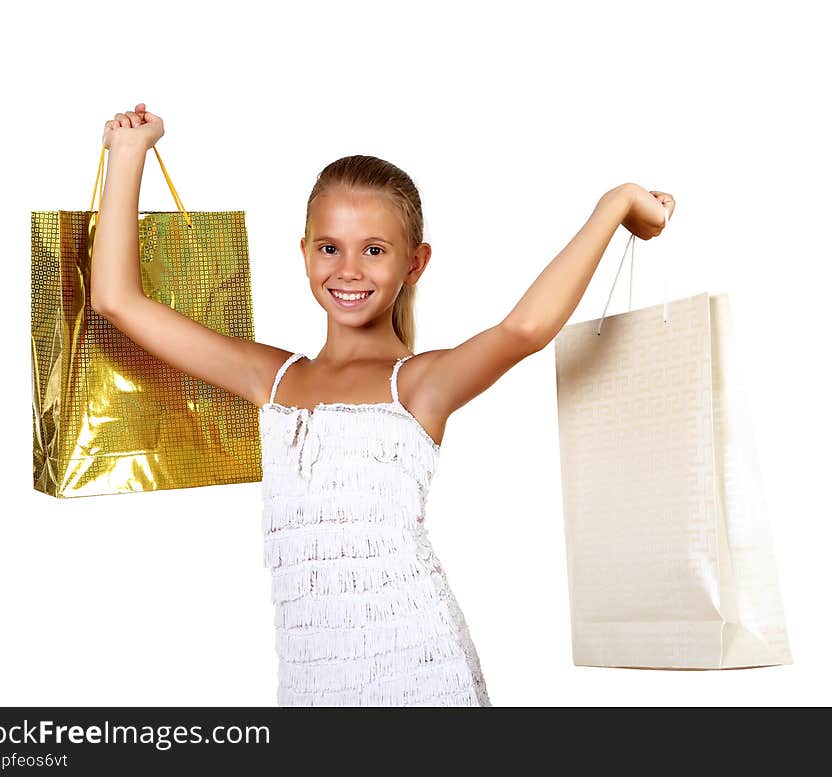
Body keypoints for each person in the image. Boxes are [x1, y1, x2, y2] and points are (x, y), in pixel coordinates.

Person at [91, 102, 675, 707]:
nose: (348, 270)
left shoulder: (420, 384)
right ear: (304, 253)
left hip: (419, 671)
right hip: (312, 681)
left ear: (414, 264)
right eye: (329, 248)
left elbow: (524, 330)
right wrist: (128, 153)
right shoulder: (273, 378)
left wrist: (617, 203)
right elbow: (116, 300)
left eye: (374, 250)